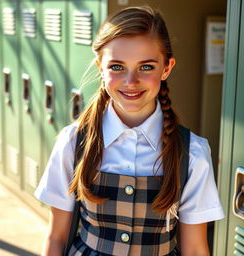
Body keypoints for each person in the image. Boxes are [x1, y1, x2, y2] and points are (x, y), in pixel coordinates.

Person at [35, 6, 224, 256]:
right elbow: (56, 238)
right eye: (116, 66)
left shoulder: (192, 152)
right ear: (100, 67)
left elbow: (196, 249)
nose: (130, 81)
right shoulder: (73, 142)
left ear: (167, 68)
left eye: (146, 67)